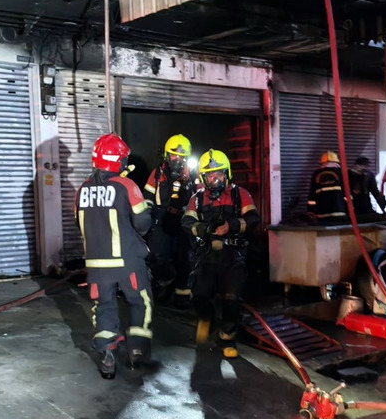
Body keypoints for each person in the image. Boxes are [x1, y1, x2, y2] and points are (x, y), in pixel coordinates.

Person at [74, 134, 154, 379]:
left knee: (104, 305)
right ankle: (137, 352)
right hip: (127, 261)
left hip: (96, 265)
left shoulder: (82, 189)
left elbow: (80, 224)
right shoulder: (126, 185)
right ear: (118, 160)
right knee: (140, 301)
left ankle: (108, 355)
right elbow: (143, 224)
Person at [181, 149, 260, 358]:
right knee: (200, 294)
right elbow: (186, 221)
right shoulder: (198, 199)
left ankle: (227, 338)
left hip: (233, 254)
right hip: (207, 255)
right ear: (203, 178)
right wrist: (203, 229)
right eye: (210, 176)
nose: (215, 179)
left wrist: (231, 226)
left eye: (219, 174)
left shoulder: (240, 194)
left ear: (227, 174)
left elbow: (253, 219)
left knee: (232, 298)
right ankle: (206, 317)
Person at [144, 134, 197, 309]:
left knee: (185, 259)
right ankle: (164, 285)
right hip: (161, 220)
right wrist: (146, 220)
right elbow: (147, 198)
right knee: (158, 257)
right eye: (174, 155)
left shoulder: (193, 175)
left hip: (184, 221)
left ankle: (183, 296)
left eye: (182, 157)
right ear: (167, 156)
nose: (178, 160)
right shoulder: (158, 173)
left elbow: (202, 198)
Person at [306, 151, 348, 223]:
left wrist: (310, 210)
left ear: (322, 163)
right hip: (339, 211)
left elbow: (312, 194)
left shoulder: (316, 174)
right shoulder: (342, 172)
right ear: (337, 162)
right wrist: (350, 209)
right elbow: (347, 193)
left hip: (322, 213)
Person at [347, 156, 386, 222]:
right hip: (365, 206)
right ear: (366, 165)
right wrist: (383, 210)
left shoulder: (347, 174)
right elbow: (375, 193)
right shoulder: (369, 175)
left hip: (351, 207)